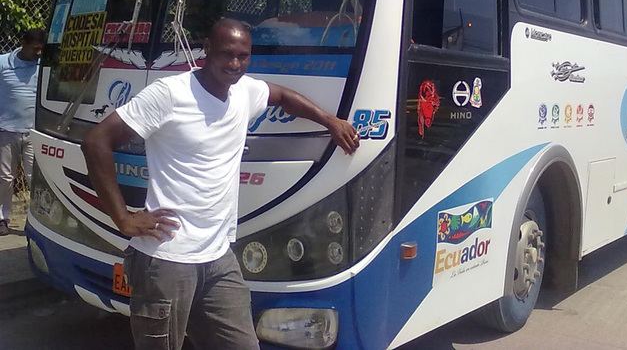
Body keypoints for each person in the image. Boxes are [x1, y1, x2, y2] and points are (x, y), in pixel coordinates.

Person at [82, 18, 359, 350]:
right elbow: (97, 141)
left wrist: (330, 120)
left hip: (217, 260)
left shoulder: (244, 92)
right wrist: (124, 219)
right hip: (168, 260)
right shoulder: (170, 94)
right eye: (227, 54)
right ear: (207, 50)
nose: (235, 64)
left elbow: (282, 96)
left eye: (244, 56)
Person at [0, 29, 45, 236]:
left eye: (41, 49)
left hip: (34, 132)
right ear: (23, 43)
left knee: (34, 178)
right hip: (6, 131)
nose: (39, 52)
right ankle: (3, 218)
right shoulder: (3, 63)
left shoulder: (44, 66)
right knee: (4, 178)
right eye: (35, 48)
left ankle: (36, 221)